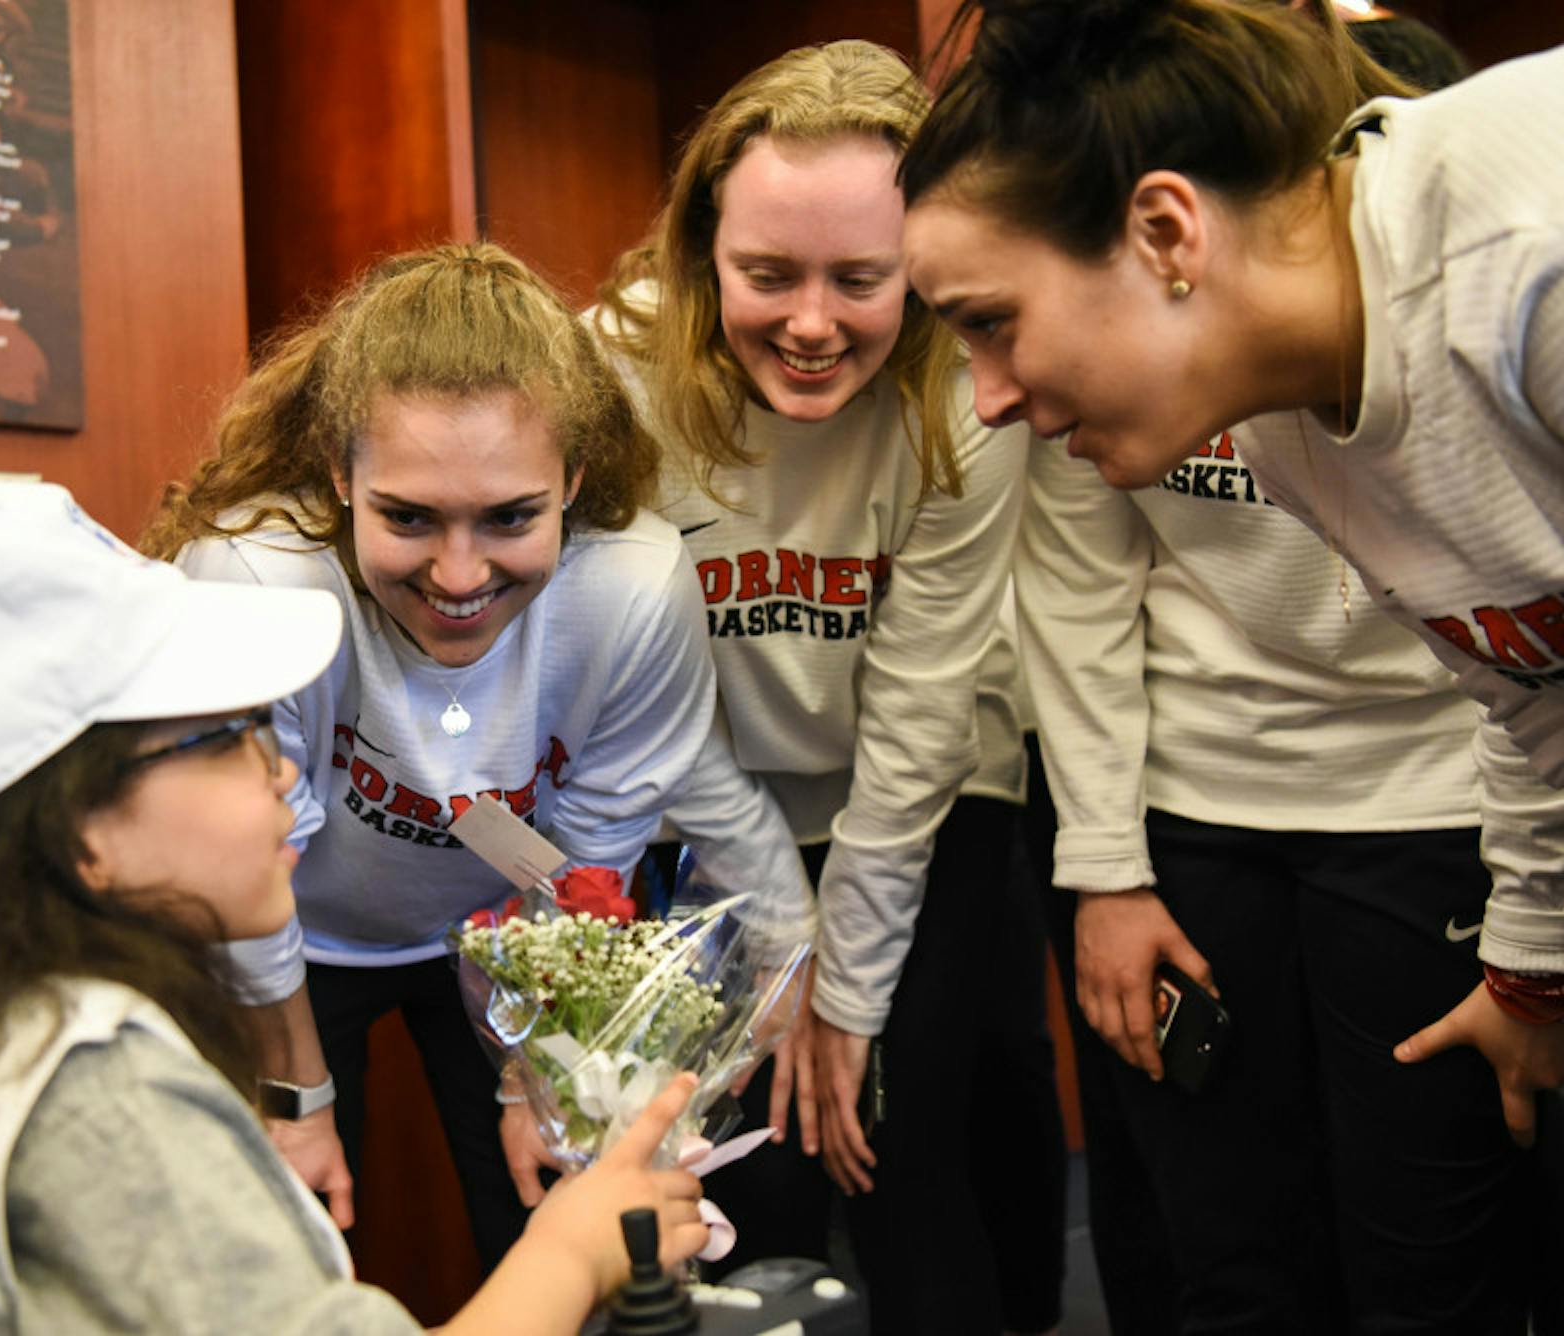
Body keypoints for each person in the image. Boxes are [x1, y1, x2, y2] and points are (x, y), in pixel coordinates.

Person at [900, 0, 1564, 1232]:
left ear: (1163, 230)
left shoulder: (1563, 253)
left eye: (991, 325)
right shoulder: (1282, 422)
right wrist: (1534, 955)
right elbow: (1539, 681)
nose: (988, 398)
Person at [0, 482, 710, 1335]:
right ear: (72, 824)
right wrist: (576, 1245)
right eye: (228, 736)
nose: (279, 775)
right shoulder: (93, 1092)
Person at [140, 242, 814, 1271]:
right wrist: (297, 1095)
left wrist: (529, 1076)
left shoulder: (630, 585)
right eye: (407, 517)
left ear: (572, 481)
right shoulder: (253, 580)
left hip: (498, 936)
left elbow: (584, 863)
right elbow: (243, 878)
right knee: (292, 1238)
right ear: (339, 476)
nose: (459, 574)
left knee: (549, 1214)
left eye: (509, 517)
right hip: (287, 936)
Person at [592, 40, 1065, 1335]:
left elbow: (917, 730)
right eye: (767, 275)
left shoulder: (966, 389)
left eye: (863, 279)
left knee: (895, 1139)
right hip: (709, 798)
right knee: (754, 1169)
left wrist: (843, 994)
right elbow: (651, 708)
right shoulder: (615, 374)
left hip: (919, 798)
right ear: (701, 251)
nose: (812, 324)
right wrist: (782, 946)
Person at [1022, 408, 1564, 1330]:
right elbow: (1075, 584)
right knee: (1232, 1263)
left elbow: (1547, 613)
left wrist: (1546, 934)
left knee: (1427, 1262)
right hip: (1187, 808)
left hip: (1434, 792)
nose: (992, 394)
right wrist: (1105, 871)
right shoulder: (1088, 316)